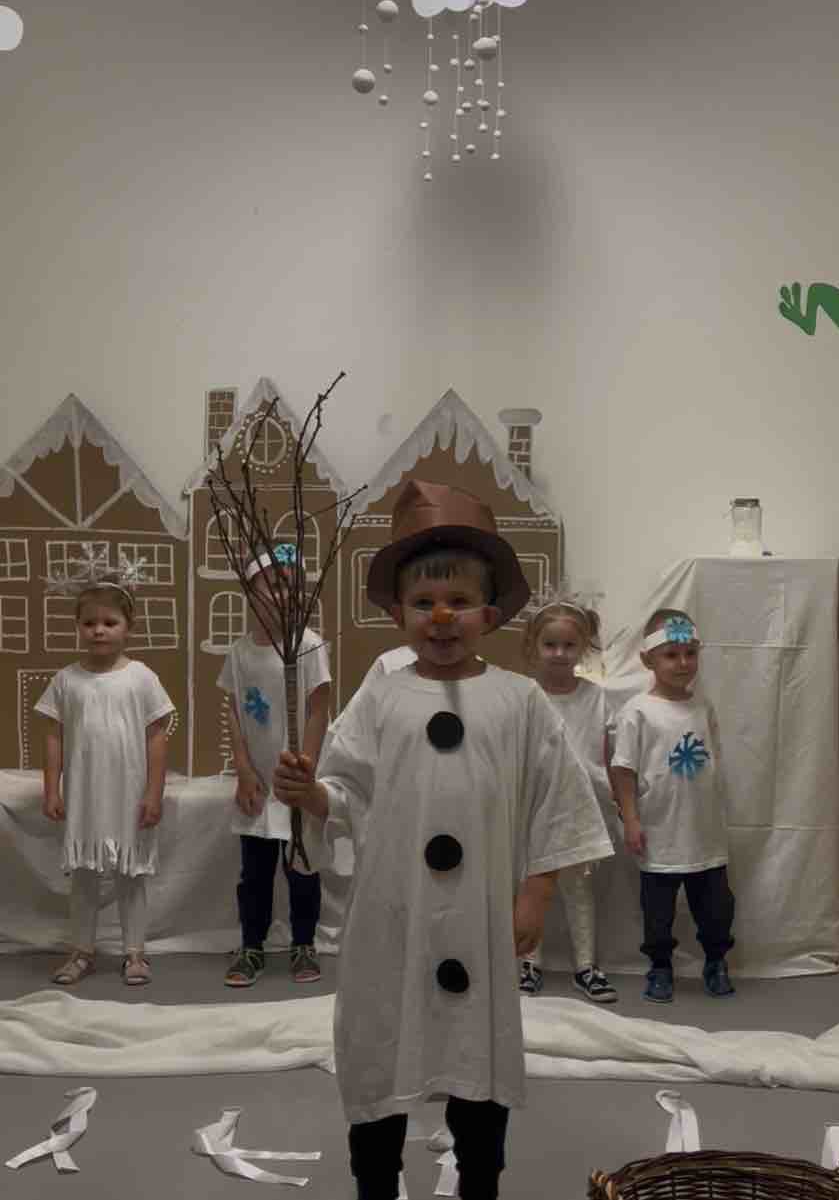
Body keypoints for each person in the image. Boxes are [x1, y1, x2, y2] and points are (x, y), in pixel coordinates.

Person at [274, 480, 612, 1200]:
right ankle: (375, 1180)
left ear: (490, 612)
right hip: (392, 914)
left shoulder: (518, 699)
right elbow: (348, 790)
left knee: (474, 1056)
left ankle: (480, 1181)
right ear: (397, 612)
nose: (441, 616)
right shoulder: (383, 694)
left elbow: (558, 801)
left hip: (479, 915)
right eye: (424, 601)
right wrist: (311, 795)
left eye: (459, 599)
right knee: (380, 1043)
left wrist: (535, 891)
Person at [36, 568, 174, 986]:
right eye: (89, 622)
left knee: (131, 874)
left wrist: (154, 792)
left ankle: (135, 953)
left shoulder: (142, 678)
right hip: (85, 795)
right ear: (78, 626)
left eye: (109, 622)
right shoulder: (66, 680)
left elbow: (157, 737)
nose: (99, 630)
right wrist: (52, 789)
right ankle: (81, 950)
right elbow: (54, 737)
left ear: (128, 627)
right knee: (84, 876)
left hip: (129, 794)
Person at [610, 608, 735, 1003]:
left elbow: (712, 761)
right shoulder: (637, 711)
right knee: (658, 912)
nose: (683, 663)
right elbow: (624, 770)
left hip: (704, 831)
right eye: (671, 655)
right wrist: (631, 819)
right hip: (660, 831)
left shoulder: (703, 706)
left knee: (716, 908)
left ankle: (716, 961)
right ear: (648, 659)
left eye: (690, 653)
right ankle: (660, 966)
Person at [220, 544, 331, 987]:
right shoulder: (239, 653)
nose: (287, 594)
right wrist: (244, 770)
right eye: (275, 584)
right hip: (259, 785)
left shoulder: (309, 647)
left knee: (302, 867)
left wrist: (305, 770)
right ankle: (252, 945)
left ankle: (304, 943)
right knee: (255, 872)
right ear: (250, 590)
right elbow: (233, 712)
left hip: (295, 780)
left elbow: (319, 709)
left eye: (293, 586)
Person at [518, 595, 618, 1003]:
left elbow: (608, 755)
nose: (559, 653)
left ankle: (586, 966)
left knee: (579, 890)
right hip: (534, 806)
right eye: (550, 644)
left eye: (569, 645)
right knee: (531, 885)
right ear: (534, 645)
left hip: (580, 807)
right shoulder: (524, 695)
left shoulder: (597, 697)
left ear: (583, 647)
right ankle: (529, 961)